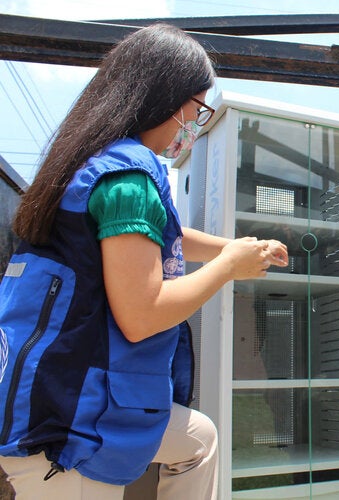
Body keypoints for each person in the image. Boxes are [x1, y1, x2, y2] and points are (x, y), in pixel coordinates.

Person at [0, 24, 289, 500]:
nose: (195, 123)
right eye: (198, 109)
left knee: (198, 440)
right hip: (69, 432)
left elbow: (161, 236)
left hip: (52, 392)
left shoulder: (97, 162)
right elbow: (142, 316)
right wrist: (227, 268)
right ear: (168, 98)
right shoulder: (130, 179)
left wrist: (233, 247)